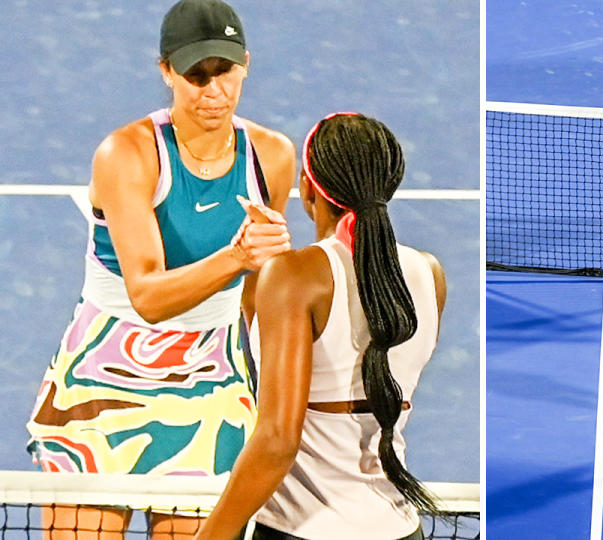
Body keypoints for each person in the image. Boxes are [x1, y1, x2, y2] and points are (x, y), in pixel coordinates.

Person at [25, 0, 295, 536]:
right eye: (195, 76)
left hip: (212, 382)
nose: (212, 92)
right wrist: (237, 257)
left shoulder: (272, 156)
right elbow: (147, 296)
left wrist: (252, 367)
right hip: (102, 379)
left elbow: (254, 291)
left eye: (225, 72)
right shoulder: (126, 154)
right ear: (166, 71)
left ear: (246, 64)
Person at [194, 113, 446, 540]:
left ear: (308, 188)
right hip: (401, 530)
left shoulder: (293, 279)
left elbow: (276, 440)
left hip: (304, 533)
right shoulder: (430, 274)